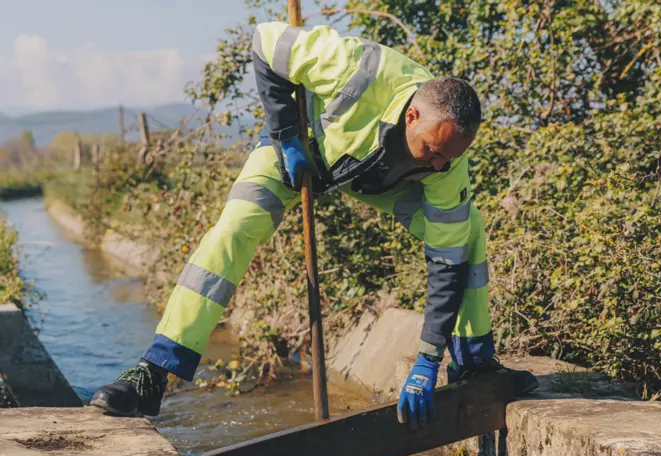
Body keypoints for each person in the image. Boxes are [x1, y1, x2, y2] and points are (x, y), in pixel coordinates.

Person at [90, 22, 538, 426]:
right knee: (233, 228)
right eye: (433, 151)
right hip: (302, 152)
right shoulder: (358, 67)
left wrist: (427, 359)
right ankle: (153, 374)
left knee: (468, 231)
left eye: (451, 157)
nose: (441, 165)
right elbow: (266, 41)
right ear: (412, 116)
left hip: (383, 184)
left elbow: (447, 260)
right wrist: (286, 135)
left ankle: (473, 362)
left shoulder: (446, 163)